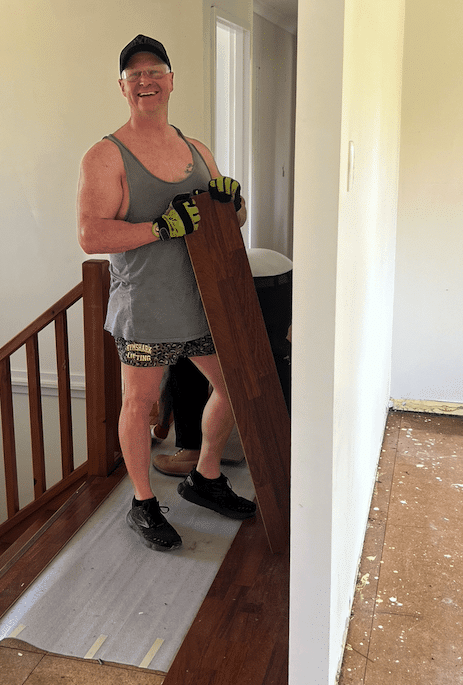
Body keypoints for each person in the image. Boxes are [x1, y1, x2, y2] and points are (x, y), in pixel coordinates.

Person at [77, 34, 256, 552]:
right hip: (147, 305)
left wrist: (234, 201)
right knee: (140, 403)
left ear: (171, 80)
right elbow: (91, 235)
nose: (145, 81)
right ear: (122, 87)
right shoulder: (104, 155)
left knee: (234, 388)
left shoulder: (196, 148)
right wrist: (159, 228)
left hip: (207, 302)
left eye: (154, 71)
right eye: (135, 76)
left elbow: (233, 221)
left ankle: (203, 478)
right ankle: (142, 502)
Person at [153, 248, 293, 477]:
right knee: (273, 352)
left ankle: (191, 451)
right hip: (283, 271)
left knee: (186, 355)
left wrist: (162, 425)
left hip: (242, 276)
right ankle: (288, 445)